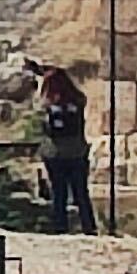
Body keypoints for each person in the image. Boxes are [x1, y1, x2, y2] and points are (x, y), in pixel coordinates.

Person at [39, 61, 96, 235]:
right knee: (80, 192)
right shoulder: (77, 102)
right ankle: (89, 227)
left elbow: (49, 129)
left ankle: (60, 227)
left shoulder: (51, 107)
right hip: (76, 151)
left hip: (57, 153)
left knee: (59, 192)